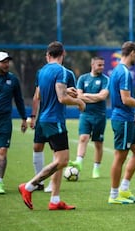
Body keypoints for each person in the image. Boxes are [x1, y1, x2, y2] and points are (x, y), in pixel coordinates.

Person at [18, 41, 85, 210]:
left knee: (58, 159)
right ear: (63, 54)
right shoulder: (61, 71)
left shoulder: (42, 71)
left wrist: (66, 93)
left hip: (44, 118)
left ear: (48, 55)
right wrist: (78, 102)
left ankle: (55, 200)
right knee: (63, 160)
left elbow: (41, 95)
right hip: (55, 120)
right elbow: (62, 98)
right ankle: (29, 186)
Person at [30, 57, 78, 192]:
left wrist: (69, 92)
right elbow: (39, 95)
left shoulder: (67, 73)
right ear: (63, 54)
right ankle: (35, 183)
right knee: (41, 148)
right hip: (49, 118)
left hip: (52, 117)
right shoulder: (43, 72)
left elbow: (74, 93)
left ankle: (52, 188)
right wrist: (33, 116)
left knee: (58, 154)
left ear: (47, 55)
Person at [108, 42, 135, 204]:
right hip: (122, 119)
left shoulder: (119, 70)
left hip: (128, 118)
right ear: (132, 53)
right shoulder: (123, 72)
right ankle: (114, 195)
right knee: (120, 157)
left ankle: (124, 189)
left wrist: (134, 113)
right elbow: (125, 99)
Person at [68, 56, 109, 179]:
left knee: (98, 143)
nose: (102, 67)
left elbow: (102, 97)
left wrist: (85, 96)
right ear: (93, 65)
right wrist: (91, 97)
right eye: (99, 65)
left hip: (100, 115)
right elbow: (78, 96)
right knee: (83, 138)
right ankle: (79, 162)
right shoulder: (83, 78)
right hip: (85, 114)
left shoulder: (106, 79)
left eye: (103, 65)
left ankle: (96, 168)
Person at [0, 51, 28, 194]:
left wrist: (24, 118)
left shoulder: (13, 80)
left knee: (2, 150)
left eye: (8, 61)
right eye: (3, 62)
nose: (7, 64)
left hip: (4, 121)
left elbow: (19, 100)